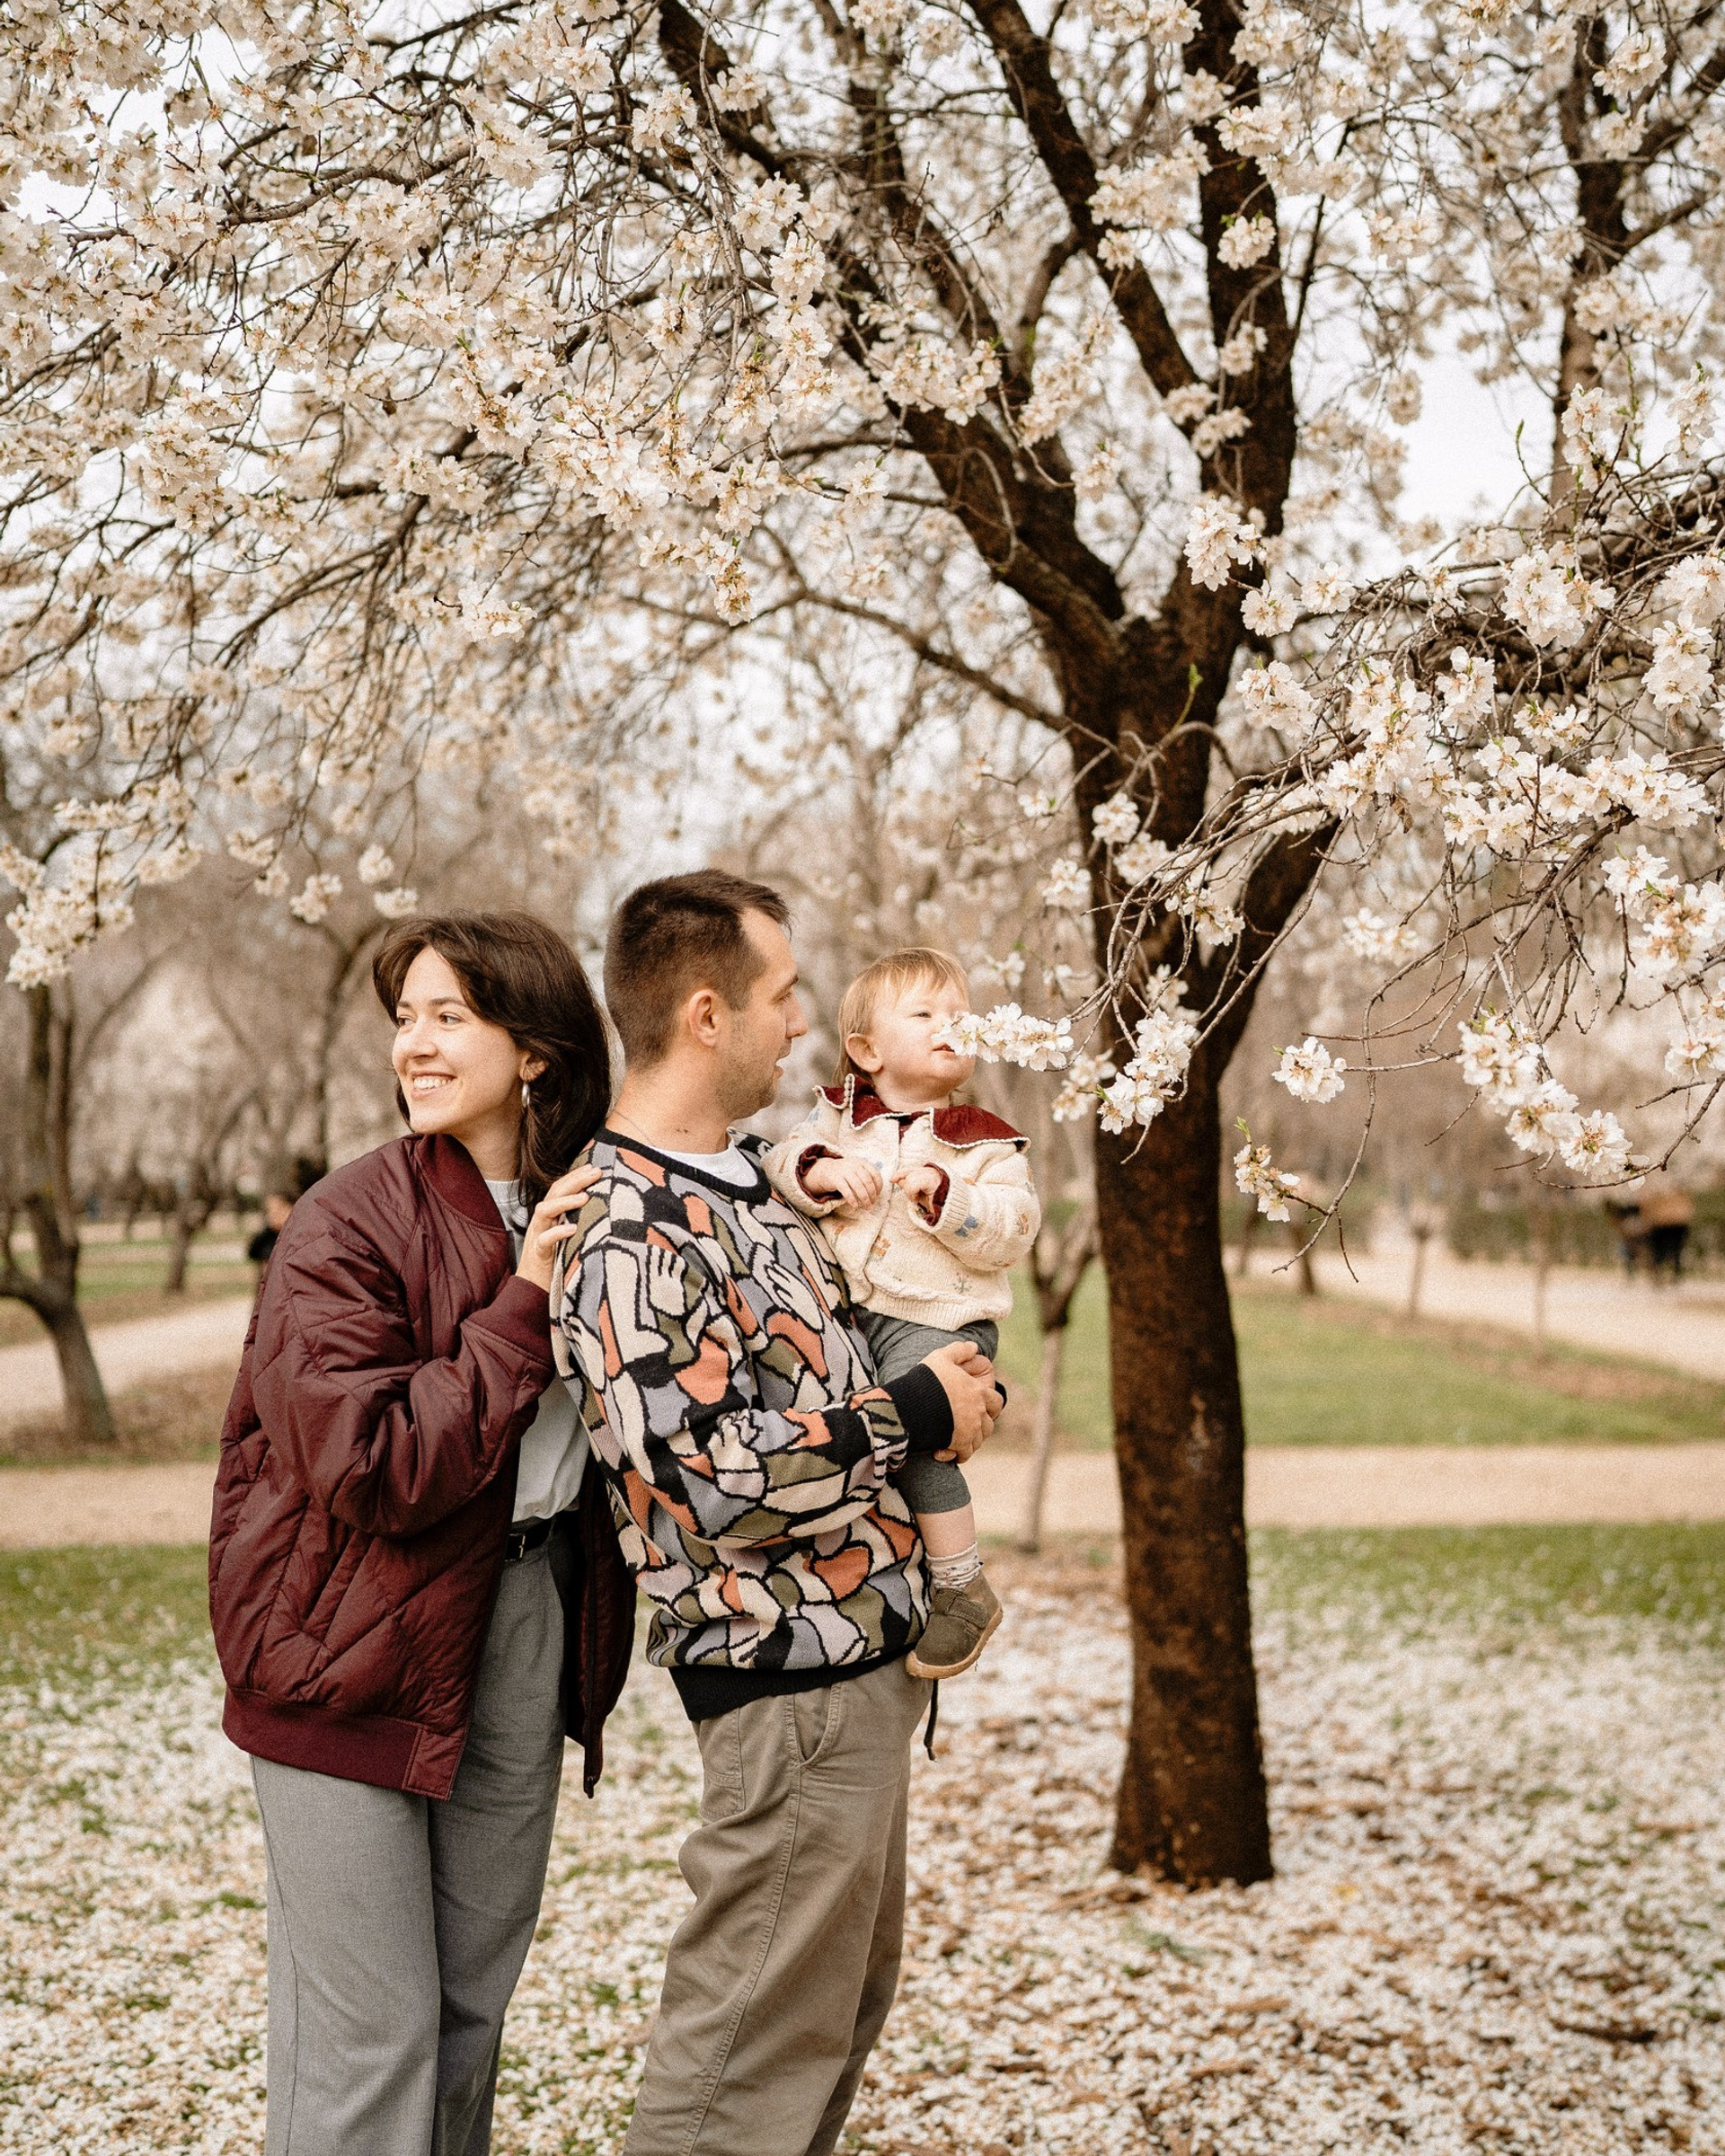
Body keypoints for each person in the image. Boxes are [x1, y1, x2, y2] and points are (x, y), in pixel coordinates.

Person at [555, 870, 1004, 2156]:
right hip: (784, 1687)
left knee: (821, 2038)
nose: (803, 1021)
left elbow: (846, 1368)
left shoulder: (754, 1178)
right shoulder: (628, 1227)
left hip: (867, 1665)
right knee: (739, 2069)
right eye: (784, 994)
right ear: (707, 1014)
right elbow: (703, 1484)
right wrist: (910, 1419)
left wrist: (950, 1385)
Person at [208, 911, 636, 2156]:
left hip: (522, 1624)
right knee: (372, 2039)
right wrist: (521, 1310)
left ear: (539, 1050)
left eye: (451, 1015)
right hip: (338, 1651)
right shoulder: (346, 1222)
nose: (418, 1044)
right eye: (407, 1018)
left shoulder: (597, 1203)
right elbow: (373, 1463)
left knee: (464, 2021)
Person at [763, 948, 1039, 1679]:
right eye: (925, 1015)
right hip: (852, 1317)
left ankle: (963, 1585)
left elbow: (1017, 1225)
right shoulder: (837, 1119)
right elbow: (781, 1159)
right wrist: (819, 1171)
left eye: (958, 1014)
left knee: (912, 1428)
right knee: (856, 1432)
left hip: (939, 1319)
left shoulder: (983, 1141)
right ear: (866, 1051)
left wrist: (954, 1202)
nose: (950, 1026)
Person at [245, 1188, 294, 1275]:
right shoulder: (266, 1237)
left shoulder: (297, 1236)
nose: (274, 1214)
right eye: (270, 1210)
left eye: (279, 1209)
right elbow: (252, 1252)